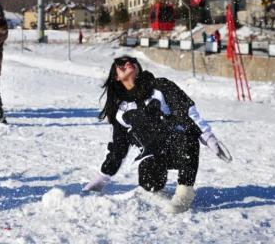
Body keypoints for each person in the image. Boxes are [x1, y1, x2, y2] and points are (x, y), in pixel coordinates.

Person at [84, 56, 232, 213]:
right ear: (116, 76)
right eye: (121, 63)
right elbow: (118, 148)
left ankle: (184, 195)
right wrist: (101, 177)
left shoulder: (160, 86)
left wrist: (208, 137)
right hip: (151, 155)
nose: (127, 63)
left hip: (176, 145)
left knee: (187, 137)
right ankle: (154, 193)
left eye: (131, 60)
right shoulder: (120, 111)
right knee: (149, 182)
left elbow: (187, 111)